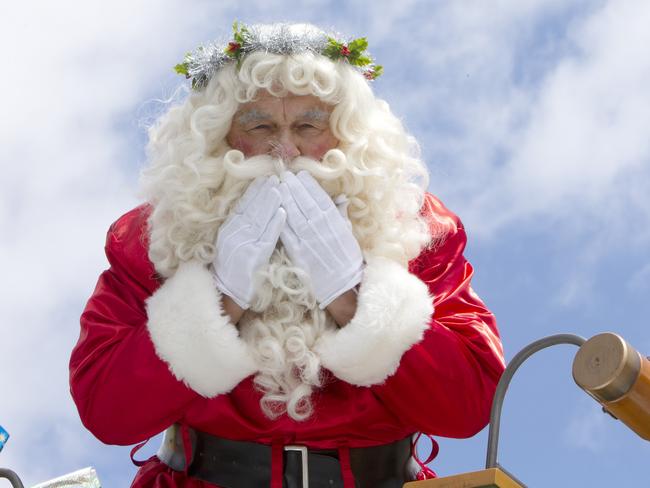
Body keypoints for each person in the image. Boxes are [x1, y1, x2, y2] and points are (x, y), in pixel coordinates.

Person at [69, 22, 506, 488]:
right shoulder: (154, 237)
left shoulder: (417, 233)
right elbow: (107, 413)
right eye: (259, 126)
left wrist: (353, 296)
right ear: (219, 138)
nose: (286, 150)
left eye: (309, 125)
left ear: (346, 136)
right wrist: (220, 299)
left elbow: (468, 408)